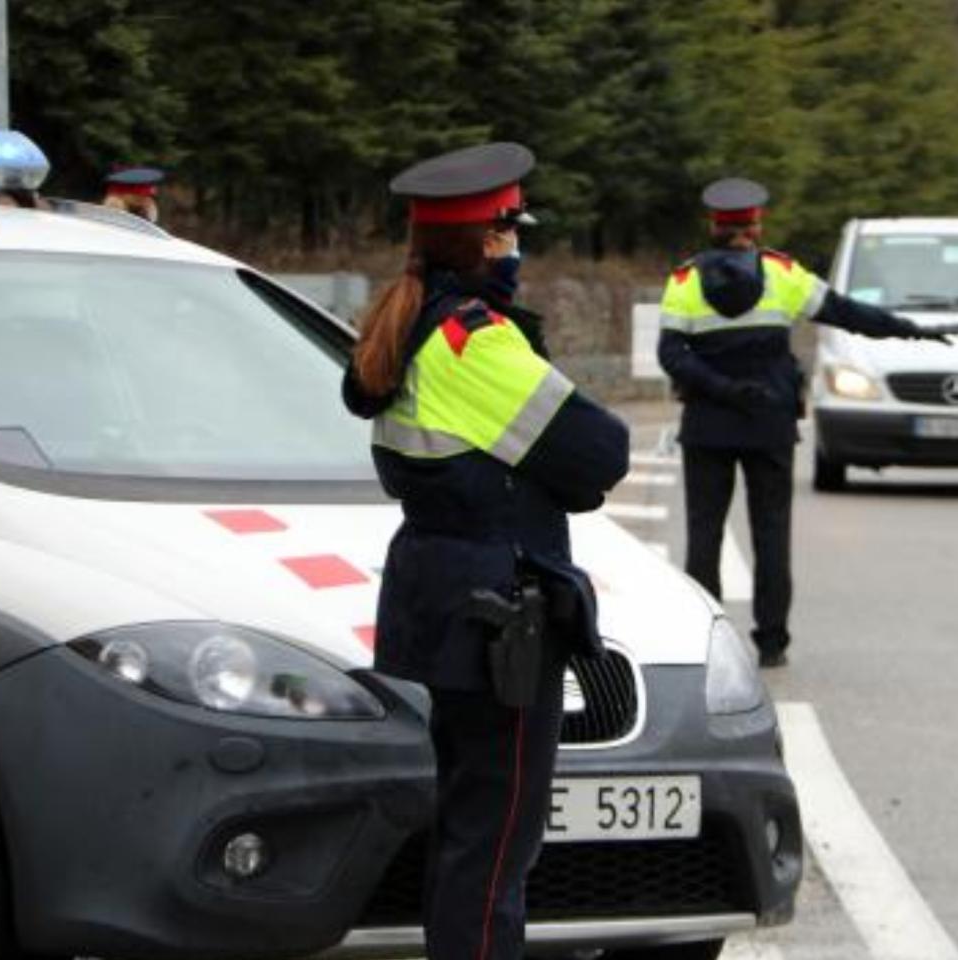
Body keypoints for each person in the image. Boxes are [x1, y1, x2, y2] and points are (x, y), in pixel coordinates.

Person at [342, 142, 629, 960]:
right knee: (498, 848)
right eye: (511, 233)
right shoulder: (475, 340)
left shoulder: (405, 325)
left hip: (446, 601)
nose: (516, 249)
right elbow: (601, 452)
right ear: (489, 240)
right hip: (500, 618)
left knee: (471, 835)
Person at [657, 177, 958, 668]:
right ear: (757, 224)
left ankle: (707, 643)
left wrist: (722, 389)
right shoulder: (784, 275)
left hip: (708, 425)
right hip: (770, 423)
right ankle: (772, 643)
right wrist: (911, 330)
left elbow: (672, 355)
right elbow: (847, 313)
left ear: (714, 225)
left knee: (704, 536)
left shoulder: (684, 281)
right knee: (771, 536)